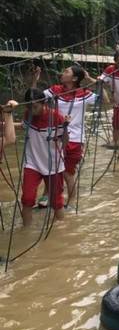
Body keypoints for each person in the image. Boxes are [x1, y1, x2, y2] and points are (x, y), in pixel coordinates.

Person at [41, 65, 98, 207]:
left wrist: (89, 78)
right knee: (50, 167)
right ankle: (46, 195)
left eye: (66, 71)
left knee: (68, 172)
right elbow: (36, 97)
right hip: (57, 136)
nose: (62, 72)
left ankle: (71, 201)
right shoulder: (55, 90)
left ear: (74, 78)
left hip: (75, 139)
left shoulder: (84, 93)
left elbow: (105, 98)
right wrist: (35, 79)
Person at [21, 88, 67, 226]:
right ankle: (26, 231)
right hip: (32, 162)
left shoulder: (57, 117)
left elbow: (65, 143)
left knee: (56, 201)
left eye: (34, 107)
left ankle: (61, 229)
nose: (31, 110)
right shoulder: (27, 114)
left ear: (43, 104)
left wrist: (65, 128)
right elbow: (23, 127)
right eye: (29, 106)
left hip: (53, 164)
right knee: (27, 198)